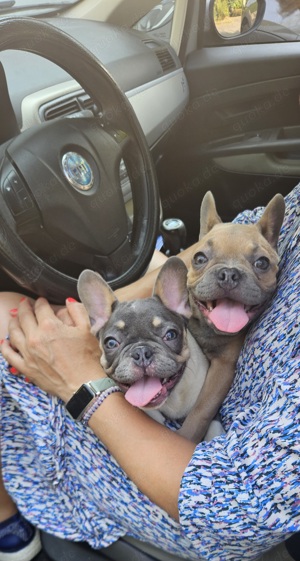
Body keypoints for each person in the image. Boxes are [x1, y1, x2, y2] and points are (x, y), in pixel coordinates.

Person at [0, 184, 299, 561]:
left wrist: (80, 381)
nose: (230, 278)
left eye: (258, 264)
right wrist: (108, 313)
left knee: (3, 315)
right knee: (148, 260)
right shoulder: (286, 214)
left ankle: (6, 517)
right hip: (167, 352)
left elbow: (234, 505)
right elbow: (201, 251)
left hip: (194, 480)